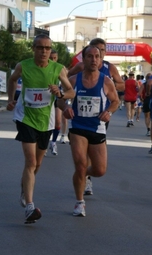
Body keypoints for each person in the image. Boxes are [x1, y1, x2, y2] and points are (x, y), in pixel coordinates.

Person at [6, 34, 75, 224]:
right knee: (30, 161)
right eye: (40, 48)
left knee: (37, 164)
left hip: (46, 121)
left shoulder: (58, 69)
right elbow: (12, 80)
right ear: (34, 49)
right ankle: (29, 206)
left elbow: (71, 91)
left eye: (47, 48)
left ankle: (25, 186)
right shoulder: (23, 66)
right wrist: (11, 98)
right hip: (25, 118)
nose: (44, 51)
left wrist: (60, 93)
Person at [57, 45, 119, 217]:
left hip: (97, 127)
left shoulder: (106, 81)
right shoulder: (75, 80)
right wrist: (65, 108)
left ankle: (84, 175)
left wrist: (109, 112)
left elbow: (115, 101)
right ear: (83, 60)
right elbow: (61, 99)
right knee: (80, 164)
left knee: (99, 170)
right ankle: (79, 202)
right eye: (90, 56)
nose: (93, 60)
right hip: (78, 126)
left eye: (97, 57)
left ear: (100, 59)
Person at [47, 50, 64, 155]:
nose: (53, 60)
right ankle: (44, 143)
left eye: (55, 58)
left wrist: (61, 92)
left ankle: (53, 142)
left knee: (58, 121)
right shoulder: (44, 67)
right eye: (51, 58)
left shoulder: (60, 68)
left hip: (57, 98)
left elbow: (68, 86)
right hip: (46, 99)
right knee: (47, 122)